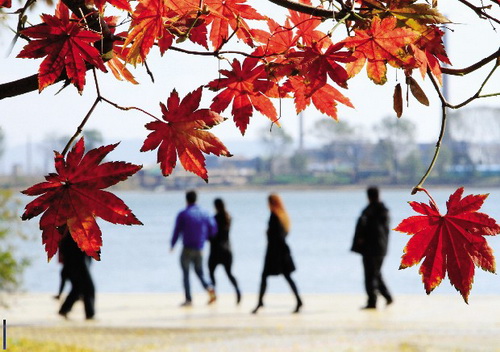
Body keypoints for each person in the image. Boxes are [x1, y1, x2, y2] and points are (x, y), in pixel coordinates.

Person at [252, 193, 302, 314]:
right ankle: (298, 301)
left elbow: (276, 235)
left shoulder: (275, 215)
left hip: (275, 252)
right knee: (286, 277)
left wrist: (268, 234)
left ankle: (260, 302)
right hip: (282, 250)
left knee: (266, 276)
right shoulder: (283, 216)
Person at [171, 190, 217, 307]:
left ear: (186, 200)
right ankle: (210, 288)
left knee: (186, 274)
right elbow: (213, 229)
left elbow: (177, 231)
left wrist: (172, 244)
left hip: (187, 248)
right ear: (196, 199)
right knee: (200, 272)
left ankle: (188, 299)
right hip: (200, 248)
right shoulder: (205, 213)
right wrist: (205, 238)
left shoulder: (183, 214)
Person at [351, 186, 393, 309]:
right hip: (381, 248)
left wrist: (360, 241)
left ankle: (372, 301)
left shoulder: (369, 212)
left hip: (371, 248)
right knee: (376, 273)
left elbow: (366, 230)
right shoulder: (384, 211)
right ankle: (386, 296)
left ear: (368, 197)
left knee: (370, 275)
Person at [208, 198, 241, 304]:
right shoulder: (229, 218)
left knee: (211, 274)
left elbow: (211, 235)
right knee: (229, 273)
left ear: (215, 206)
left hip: (215, 250)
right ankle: (238, 291)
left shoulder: (214, 219)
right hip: (227, 250)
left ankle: (214, 296)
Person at [58, 228, 95, 320]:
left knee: (78, 289)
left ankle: (64, 310)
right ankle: (90, 315)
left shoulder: (75, 230)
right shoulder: (77, 230)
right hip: (77, 264)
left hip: (74, 264)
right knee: (88, 288)